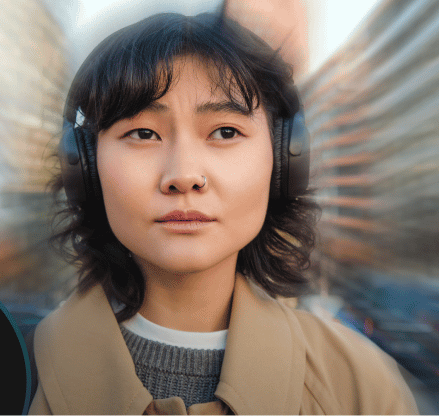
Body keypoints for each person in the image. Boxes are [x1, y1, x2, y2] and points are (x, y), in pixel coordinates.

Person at [30, 11, 418, 415]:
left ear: (285, 160)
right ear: (85, 168)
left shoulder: (360, 384)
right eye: (143, 134)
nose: (184, 176)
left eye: (225, 132)